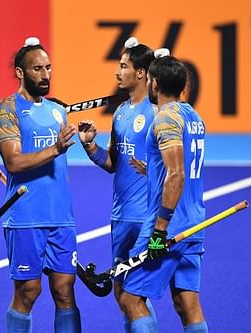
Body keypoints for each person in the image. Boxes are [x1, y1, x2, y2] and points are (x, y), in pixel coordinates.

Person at [0, 37, 81, 333]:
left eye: (48, 68)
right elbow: (14, 162)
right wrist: (55, 148)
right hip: (26, 218)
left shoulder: (57, 110)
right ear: (20, 72)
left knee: (65, 291)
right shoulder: (7, 110)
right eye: (37, 69)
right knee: (28, 292)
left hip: (61, 218)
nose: (45, 75)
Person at [119, 51, 207, 333]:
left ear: (154, 84)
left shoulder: (165, 119)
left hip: (169, 226)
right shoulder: (194, 117)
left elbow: (178, 174)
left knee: (131, 298)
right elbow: (182, 168)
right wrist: (153, 171)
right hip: (195, 224)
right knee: (187, 304)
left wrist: (159, 230)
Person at [77, 37, 157, 332]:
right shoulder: (121, 112)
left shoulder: (158, 112)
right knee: (124, 295)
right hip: (121, 216)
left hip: (145, 217)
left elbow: (174, 167)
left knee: (132, 297)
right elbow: (113, 163)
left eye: (123, 66)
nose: (117, 72)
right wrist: (89, 147)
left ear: (141, 73)